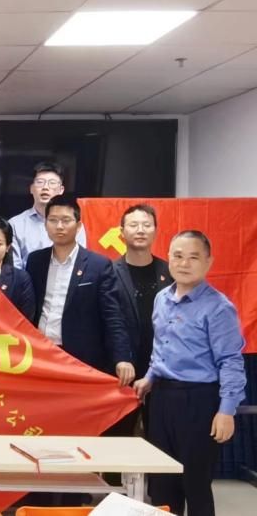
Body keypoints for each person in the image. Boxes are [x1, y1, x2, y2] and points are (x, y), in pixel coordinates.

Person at [134, 231, 246, 516]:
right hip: (161, 399)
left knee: (195, 483)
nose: (184, 263)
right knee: (161, 483)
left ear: (208, 262)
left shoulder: (218, 308)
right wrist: (150, 377)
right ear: (168, 258)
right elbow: (161, 348)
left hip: (198, 401)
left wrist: (227, 411)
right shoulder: (162, 298)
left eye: (193, 257)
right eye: (178, 256)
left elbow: (231, 361)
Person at [26, 195, 134, 382]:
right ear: (45, 224)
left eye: (66, 220)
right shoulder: (35, 261)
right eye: (53, 220)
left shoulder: (98, 265)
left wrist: (122, 357)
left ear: (78, 226)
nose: (59, 226)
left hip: (81, 356)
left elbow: (112, 315)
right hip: (41, 352)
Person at [112, 204, 172, 435]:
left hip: (162, 370)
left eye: (146, 225)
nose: (140, 230)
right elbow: (109, 323)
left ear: (155, 231)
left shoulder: (170, 272)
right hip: (121, 371)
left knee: (161, 439)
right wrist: (120, 358)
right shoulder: (109, 272)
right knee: (119, 439)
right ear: (121, 232)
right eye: (133, 225)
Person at [10, 162, 86, 269]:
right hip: (28, 279)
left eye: (52, 183)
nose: (45, 187)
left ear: (61, 190)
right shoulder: (15, 224)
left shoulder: (73, 224)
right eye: (40, 182)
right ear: (31, 188)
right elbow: (15, 269)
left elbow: (80, 261)